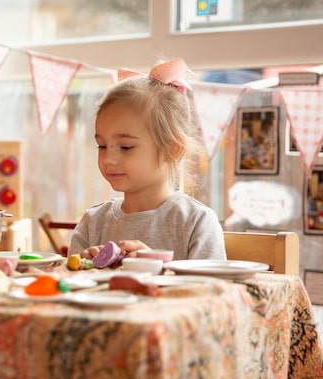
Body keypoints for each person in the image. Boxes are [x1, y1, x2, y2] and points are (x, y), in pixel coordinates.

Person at [68, 58, 226, 262]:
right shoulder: (93, 222)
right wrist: (83, 269)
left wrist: (156, 267)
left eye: (126, 147)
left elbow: (214, 291)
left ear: (172, 149)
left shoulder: (196, 221)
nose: (109, 159)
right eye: (102, 146)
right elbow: (68, 288)